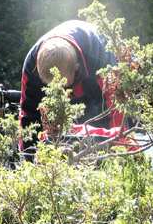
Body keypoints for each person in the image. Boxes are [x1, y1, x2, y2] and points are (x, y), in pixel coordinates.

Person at [19, 20, 125, 152]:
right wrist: (30, 163)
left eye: (64, 86)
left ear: (77, 69)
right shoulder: (31, 66)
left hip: (101, 85)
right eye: (50, 86)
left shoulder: (102, 58)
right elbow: (28, 117)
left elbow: (116, 112)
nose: (61, 93)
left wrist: (119, 152)